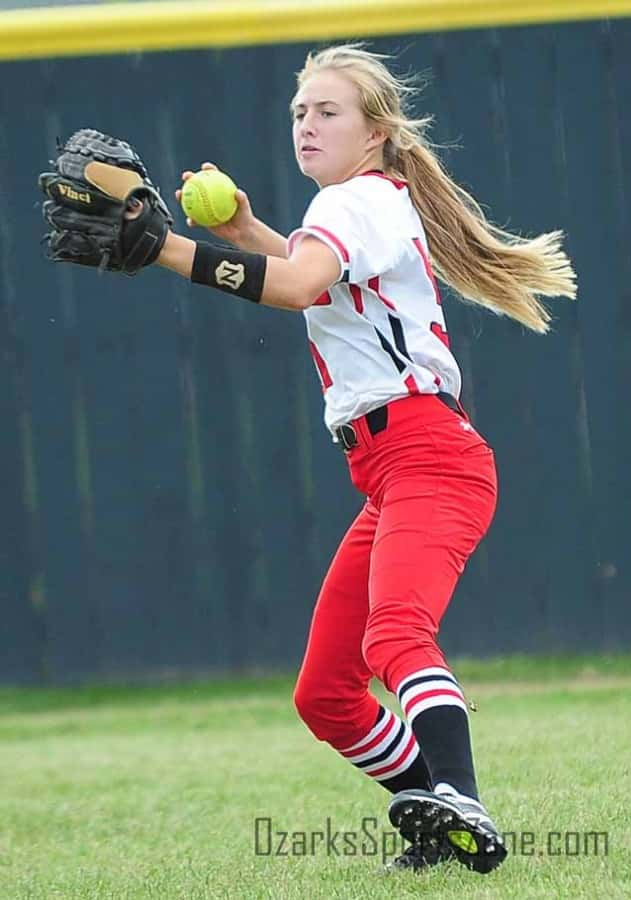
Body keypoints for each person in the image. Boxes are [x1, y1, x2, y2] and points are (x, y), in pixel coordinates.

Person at [155, 44, 577, 874]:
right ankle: (440, 821)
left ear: (376, 132)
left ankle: (460, 794)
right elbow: (325, 283)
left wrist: (160, 248)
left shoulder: (353, 200)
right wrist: (241, 232)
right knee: (326, 696)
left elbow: (296, 287)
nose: (305, 125)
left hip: (428, 455)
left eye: (326, 111)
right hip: (389, 469)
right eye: (297, 113)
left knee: (395, 636)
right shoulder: (362, 206)